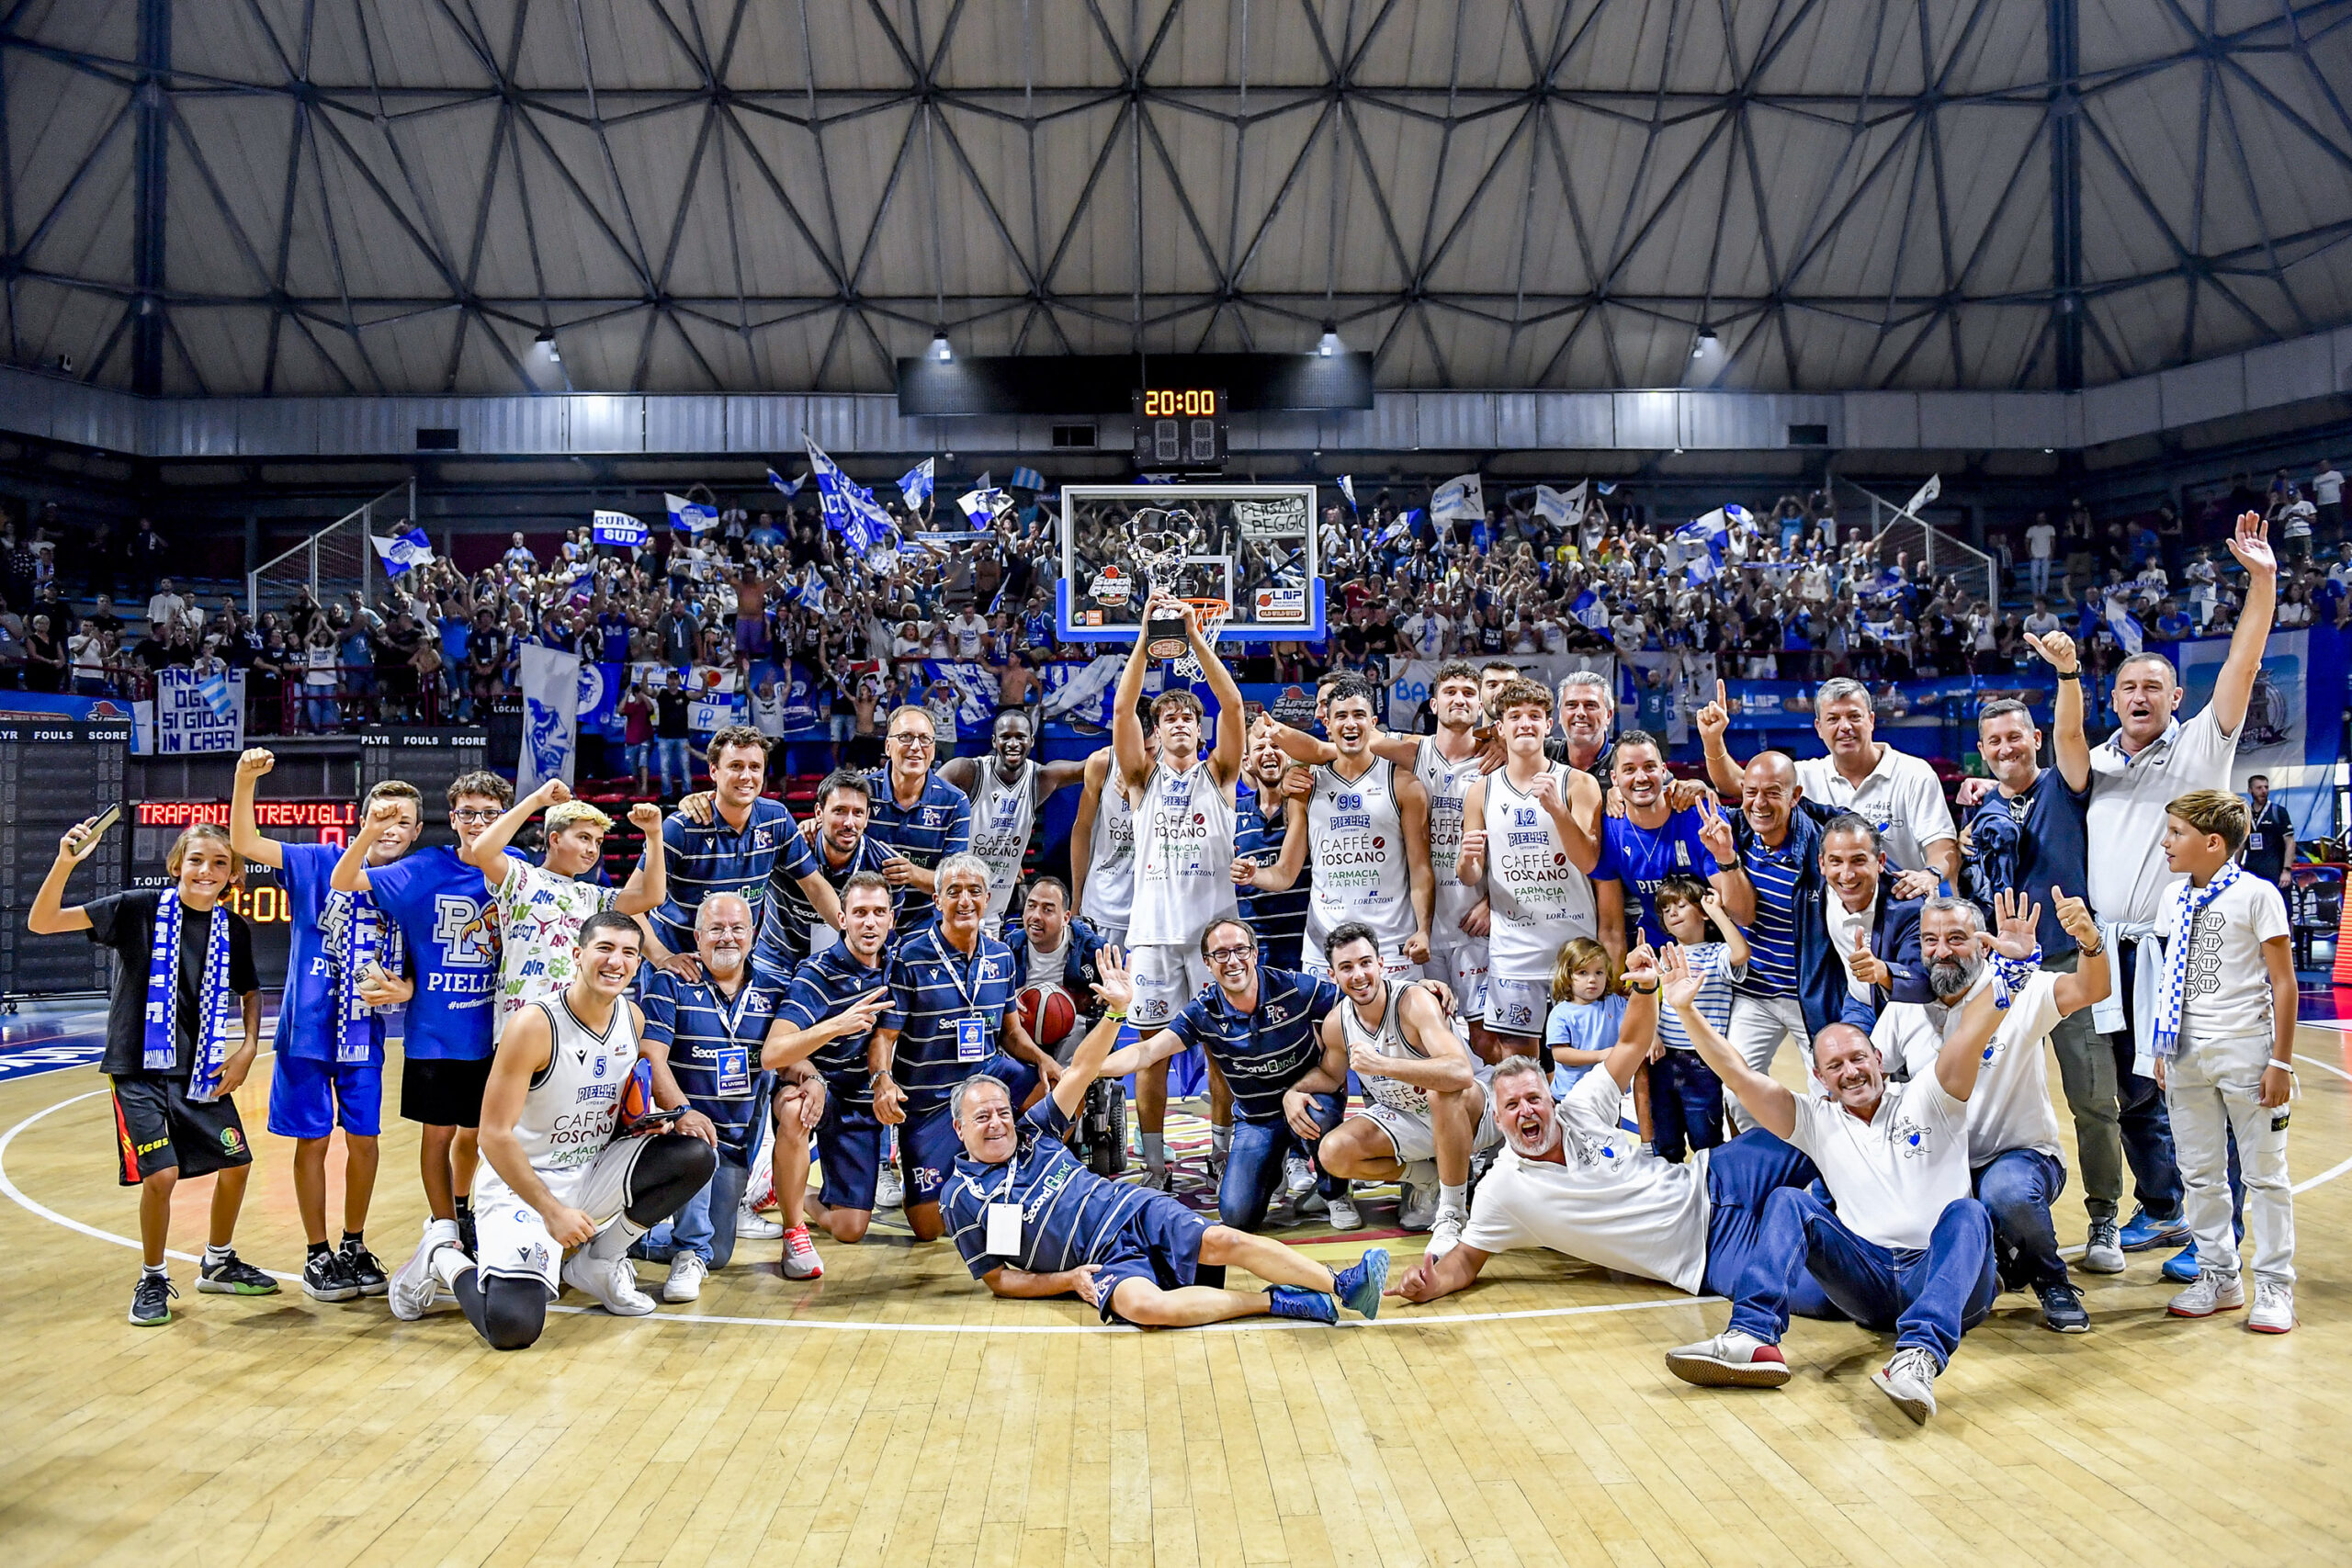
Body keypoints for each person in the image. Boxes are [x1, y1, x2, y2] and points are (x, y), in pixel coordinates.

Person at [1384, 951, 1839, 1359]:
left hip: (1717, 1177)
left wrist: (1643, 987)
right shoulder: (1502, 1190)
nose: (1527, 1110)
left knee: (1816, 1136)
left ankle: (1874, 1199)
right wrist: (1431, 1284)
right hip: (1708, 1253)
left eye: (1534, 1099)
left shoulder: (1581, 1107)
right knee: (1827, 1296)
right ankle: (1850, 1231)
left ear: (1551, 1099)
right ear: (1499, 1122)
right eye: (1512, 1106)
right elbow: (1464, 1261)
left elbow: (1631, 1045)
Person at [1658, 941, 2011, 1425]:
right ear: (1820, 1078)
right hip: (1865, 1280)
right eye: (1836, 1066)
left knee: (1969, 1214)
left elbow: (1971, 1035)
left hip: (1942, 1279)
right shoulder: (1814, 1119)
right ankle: (1752, 1338)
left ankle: (1918, 1358)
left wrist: (2011, 968)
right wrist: (1685, 1010)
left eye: (1858, 1058)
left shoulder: (1931, 1095)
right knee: (1788, 1201)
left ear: (1878, 1057)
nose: (1850, 1071)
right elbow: (1738, 1076)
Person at [941, 949, 1391, 1328]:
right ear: (960, 1128)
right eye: (983, 1117)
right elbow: (999, 1280)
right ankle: (1278, 1301)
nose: (998, 1122)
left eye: (1003, 1111)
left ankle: (1341, 1283)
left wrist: (1117, 1012)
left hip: (1130, 1210)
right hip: (1099, 1261)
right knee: (1145, 1309)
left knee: (1227, 1239)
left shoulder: (1034, 1129)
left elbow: (1080, 1069)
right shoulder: (960, 1195)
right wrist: (1069, 1279)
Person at [2079, 512, 2275, 1275]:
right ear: (2113, 696)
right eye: (2127, 684)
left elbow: (2244, 667)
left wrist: (2260, 581)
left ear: (2174, 697)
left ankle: (2211, 1228)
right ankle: (2161, 1206)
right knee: (2131, 1089)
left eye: (2152, 685)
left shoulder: (2203, 742)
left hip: (2183, 944)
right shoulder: (2094, 761)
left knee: (2200, 1084)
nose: (2139, 694)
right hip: (2113, 944)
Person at [401, 913, 721, 1345]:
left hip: (587, 1171)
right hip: (524, 1183)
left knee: (695, 1154)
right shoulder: (534, 1026)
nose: (616, 962)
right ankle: (443, 1252)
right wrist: (552, 1212)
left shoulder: (632, 1018)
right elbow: (492, 1135)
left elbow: (610, 1103)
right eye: (604, 948)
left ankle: (600, 1261)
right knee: (512, 1328)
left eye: (629, 953)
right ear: (577, 954)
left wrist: (651, 1124)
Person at [29, 818, 276, 1325]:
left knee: (237, 1165)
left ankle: (218, 1262)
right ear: (175, 866)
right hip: (136, 1068)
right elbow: (43, 921)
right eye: (196, 860)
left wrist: (248, 1048)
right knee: (161, 1175)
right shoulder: (135, 909)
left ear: (233, 876)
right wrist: (66, 862)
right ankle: (154, 1275)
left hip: (200, 1068)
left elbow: (250, 991)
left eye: (219, 863)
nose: (206, 870)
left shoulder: (233, 928)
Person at [230, 750, 422, 1302]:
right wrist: (245, 781)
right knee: (311, 1142)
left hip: (365, 1035)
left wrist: (406, 989)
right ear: (363, 817)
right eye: (382, 815)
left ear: (412, 835)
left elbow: (422, 963)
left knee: (365, 1140)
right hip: (306, 1034)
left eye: (403, 821)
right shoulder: (317, 859)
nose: (391, 827)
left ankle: (354, 1242)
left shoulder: (412, 881)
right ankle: (317, 1252)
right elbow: (245, 840)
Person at [1873, 892, 2110, 1334]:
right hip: (1942, 1167)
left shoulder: (2018, 988)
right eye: (1930, 940)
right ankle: (2001, 1259)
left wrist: (2089, 941)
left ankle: (2050, 1279)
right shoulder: (1905, 1005)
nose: (1941, 951)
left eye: (1957, 939)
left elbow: (2091, 989)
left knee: (2007, 1194)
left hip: (2019, 1158)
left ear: (1984, 945)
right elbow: (1872, 1075)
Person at [1957, 631, 2116, 1270]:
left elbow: (2075, 737)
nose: (2006, 747)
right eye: (1994, 741)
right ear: (1982, 751)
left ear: (2035, 738)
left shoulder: (2064, 782)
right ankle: (1994, 1219)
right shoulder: (1976, 816)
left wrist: (2068, 674)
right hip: (2003, 973)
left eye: (2016, 736)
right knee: (1989, 1104)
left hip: (2066, 963)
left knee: (2092, 1097)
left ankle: (2103, 1217)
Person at [334, 771, 514, 1293]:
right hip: (436, 1033)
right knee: (437, 1135)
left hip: (501, 1035)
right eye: (467, 813)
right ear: (452, 818)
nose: (477, 823)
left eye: (489, 813)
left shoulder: (518, 871)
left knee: (478, 1136)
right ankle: (445, 1227)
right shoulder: (423, 868)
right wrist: (368, 833)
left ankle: (464, 1207)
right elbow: (346, 881)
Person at [1111, 597, 1248, 1189]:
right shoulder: (1141, 778)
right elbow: (1122, 707)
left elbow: (1235, 704)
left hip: (1215, 938)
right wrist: (1147, 640)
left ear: (1199, 728)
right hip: (1154, 934)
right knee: (1151, 1051)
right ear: (1156, 732)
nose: (1180, 726)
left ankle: (1220, 1154)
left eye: (1188, 718)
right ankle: (1157, 1164)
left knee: (1221, 1048)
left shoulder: (1219, 775)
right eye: (1167, 719)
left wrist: (1193, 641)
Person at [2152, 791, 2299, 1333]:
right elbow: (2167, 976)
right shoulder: (2172, 899)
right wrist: (2162, 1049)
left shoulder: (2258, 896)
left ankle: (2276, 1286)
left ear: (2213, 843)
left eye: (2176, 833)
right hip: (2185, 1054)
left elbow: (2283, 983)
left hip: (2245, 1049)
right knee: (2199, 1173)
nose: (2165, 842)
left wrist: (2280, 1063)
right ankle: (2219, 1274)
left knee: (2265, 1174)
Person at [1099, 915, 1350, 1231]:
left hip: (1307, 1098)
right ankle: (1272, 1165)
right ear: (1207, 962)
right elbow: (1147, 1052)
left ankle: (1334, 1191)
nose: (1232, 961)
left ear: (1255, 954)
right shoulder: (1203, 1011)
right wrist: (1085, 1071)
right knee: (1237, 1217)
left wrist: (1415, 991)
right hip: (1258, 1119)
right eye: (1221, 954)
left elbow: (1355, 1004)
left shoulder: (1294, 987)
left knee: (1323, 1112)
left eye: (1240, 950)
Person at [866, 853, 1055, 1237]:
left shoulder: (1001, 956)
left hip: (986, 1081)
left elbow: (1012, 1034)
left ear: (987, 899)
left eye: (974, 891)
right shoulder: (910, 957)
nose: (964, 901)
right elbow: (885, 1036)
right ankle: (961, 1165)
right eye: (953, 892)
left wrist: (1044, 1059)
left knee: (1062, 1087)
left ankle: (1012, 1174)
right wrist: (883, 1080)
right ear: (937, 901)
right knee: (927, 1228)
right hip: (930, 1098)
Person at [1291, 922, 1500, 1249]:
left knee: (1440, 1091)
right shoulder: (1338, 1022)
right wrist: (1295, 1092)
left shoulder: (1415, 1001)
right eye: (1346, 967)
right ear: (1333, 976)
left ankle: (1452, 1213)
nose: (1358, 975)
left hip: (1475, 1110)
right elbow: (1330, 1076)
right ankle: (1427, 1180)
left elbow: (1460, 1074)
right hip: (1410, 1118)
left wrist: (1383, 1065)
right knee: (1333, 1153)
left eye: (1364, 963)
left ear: (1381, 964)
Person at [632, 893, 800, 1296]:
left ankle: (629, 1240)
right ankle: (687, 1254)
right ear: (697, 935)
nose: (727, 937)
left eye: (737, 928)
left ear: (753, 934)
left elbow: (790, 1054)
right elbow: (651, 1056)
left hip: (737, 1142)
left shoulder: (775, 989)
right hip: (680, 1135)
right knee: (698, 1144)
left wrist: (811, 1078)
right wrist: (683, 1112)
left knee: (720, 1252)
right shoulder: (670, 981)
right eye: (716, 929)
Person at [1456, 678, 1613, 1058]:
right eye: (1515, 716)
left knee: (1581, 1063)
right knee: (1518, 1062)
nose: (1525, 723)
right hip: (1514, 949)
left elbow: (1589, 861)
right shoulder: (1481, 790)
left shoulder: (1579, 783)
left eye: (1535, 716)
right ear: (1500, 728)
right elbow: (1470, 876)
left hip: (1573, 946)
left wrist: (1557, 811)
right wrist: (1467, 861)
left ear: (1548, 725)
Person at [1242, 676, 1436, 978]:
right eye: (1341, 716)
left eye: (1358, 715)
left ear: (1373, 723)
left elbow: (1421, 868)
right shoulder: (1305, 783)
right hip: (1324, 948)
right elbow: (1285, 872)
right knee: (1327, 1027)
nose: (1350, 724)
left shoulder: (1404, 784)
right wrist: (1256, 875)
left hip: (1391, 945)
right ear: (1327, 724)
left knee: (1400, 1026)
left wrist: (1423, 929)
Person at [1705, 676, 1955, 893]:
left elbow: (1943, 847)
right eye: (1833, 719)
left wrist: (1929, 874)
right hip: (1834, 920)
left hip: (1900, 912)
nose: (1845, 727)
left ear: (1871, 720)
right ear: (1819, 728)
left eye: (1854, 717)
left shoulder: (1914, 774)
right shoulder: (1806, 775)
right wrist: (1713, 740)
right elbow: (1737, 784)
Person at [766, 871, 900, 1259]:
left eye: (879, 912)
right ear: (841, 919)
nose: (870, 922)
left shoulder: (897, 968)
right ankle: (793, 1230)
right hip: (812, 1085)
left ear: (891, 919)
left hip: (859, 1099)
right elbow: (774, 1053)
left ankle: (783, 1187)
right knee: (793, 1110)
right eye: (859, 912)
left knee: (850, 1229)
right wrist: (834, 1029)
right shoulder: (816, 973)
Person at [460, 779, 667, 1029]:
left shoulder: (593, 896)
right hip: (521, 1024)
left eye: (598, 842)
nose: (592, 849)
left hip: (574, 1025)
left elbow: (652, 896)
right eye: (584, 837)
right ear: (555, 839)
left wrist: (654, 835)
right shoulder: (521, 877)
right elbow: (483, 848)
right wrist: (535, 800)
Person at [650, 727, 843, 969]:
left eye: (755, 767)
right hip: (677, 961)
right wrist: (660, 957)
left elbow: (815, 888)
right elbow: (632, 904)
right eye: (735, 766)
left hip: (735, 961)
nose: (746, 776)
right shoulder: (681, 827)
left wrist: (850, 936)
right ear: (713, 770)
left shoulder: (776, 819)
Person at [1589, 730, 1754, 949]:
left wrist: (1726, 856)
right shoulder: (1610, 830)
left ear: (1664, 771)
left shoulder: (1700, 816)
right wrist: (1614, 983)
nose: (1641, 777)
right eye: (1629, 769)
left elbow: (1742, 914)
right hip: (1658, 954)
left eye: (1649, 767)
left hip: (1716, 951)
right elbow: (1611, 928)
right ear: (1614, 779)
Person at [939, 709, 1088, 924]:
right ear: (994, 740)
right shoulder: (966, 771)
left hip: (993, 916)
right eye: (1005, 737)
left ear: (1031, 741)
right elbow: (926, 796)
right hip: (955, 910)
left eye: (1020, 737)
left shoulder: (1038, 779)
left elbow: (1086, 768)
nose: (1013, 743)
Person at [1645, 877, 1748, 1164]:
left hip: (1703, 1061)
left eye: (1681, 905)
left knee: (1707, 1138)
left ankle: (1711, 1192)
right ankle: (1669, 1192)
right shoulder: (1664, 956)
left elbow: (1741, 953)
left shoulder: (1718, 953)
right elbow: (1652, 1001)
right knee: (1665, 1138)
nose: (1673, 913)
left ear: (1702, 912)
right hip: (1663, 1059)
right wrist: (1652, 1034)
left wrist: (1716, 912)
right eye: (1666, 910)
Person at [862, 705, 974, 931]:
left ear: (933, 749)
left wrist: (912, 873)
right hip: (867, 919)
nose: (916, 747)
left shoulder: (955, 802)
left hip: (926, 926)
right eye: (905, 737)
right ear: (888, 746)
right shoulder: (863, 792)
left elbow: (954, 881)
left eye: (924, 739)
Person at [1069, 738, 1140, 949]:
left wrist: (1137, 800)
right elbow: (1082, 828)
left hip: (1151, 908)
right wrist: (1076, 897)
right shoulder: (1103, 762)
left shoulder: (1173, 763)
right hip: (1102, 902)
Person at [1543, 938, 1623, 1094]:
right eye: (1583, 973)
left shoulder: (1615, 1003)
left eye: (1599, 972)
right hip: (1572, 1094)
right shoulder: (1561, 1014)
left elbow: (1638, 1019)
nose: (1592, 979)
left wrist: (1653, 1036)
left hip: (1607, 1090)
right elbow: (1560, 1053)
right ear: (1567, 975)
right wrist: (1599, 1055)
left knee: (1613, 1119)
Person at [2242, 773, 2294, 890]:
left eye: (2266, 787)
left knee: (2280, 906)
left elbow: (2290, 842)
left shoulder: (2278, 812)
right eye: (2259, 788)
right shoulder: (2245, 814)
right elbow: (2241, 844)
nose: (2264, 791)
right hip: (2252, 870)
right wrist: (2236, 868)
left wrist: (2287, 870)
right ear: (2250, 790)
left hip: (2275, 871)